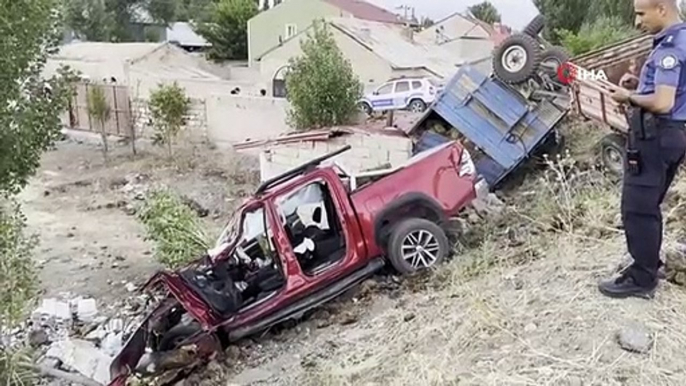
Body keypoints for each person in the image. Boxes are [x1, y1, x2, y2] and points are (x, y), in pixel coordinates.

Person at [599, 0, 686, 298]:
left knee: (637, 208)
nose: (637, 22)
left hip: (657, 136)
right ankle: (649, 263)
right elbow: (675, 90)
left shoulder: (671, 48)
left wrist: (628, 96)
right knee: (648, 204)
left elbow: (663, 103)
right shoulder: (681, 39)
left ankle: (642, 278)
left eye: (640, 13)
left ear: (662, 8)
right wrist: (639, 86)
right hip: (671, 135)